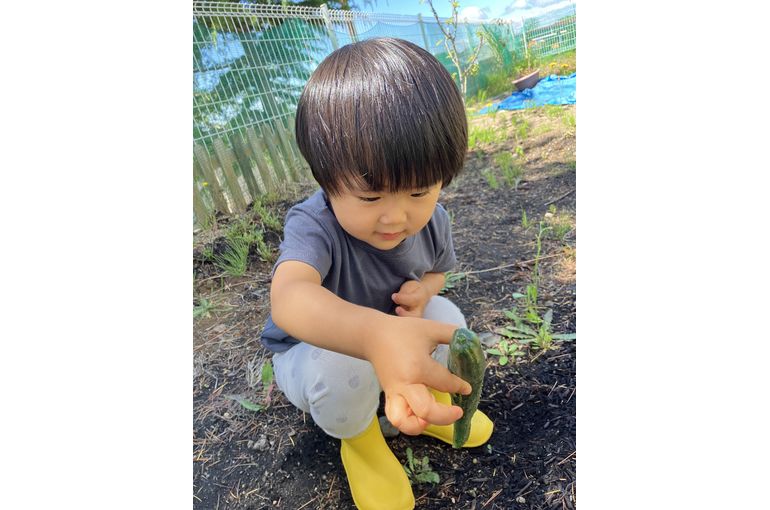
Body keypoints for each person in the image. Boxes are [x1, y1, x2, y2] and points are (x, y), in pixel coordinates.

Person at [260, 37, 494, 510]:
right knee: (342, 367)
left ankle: (428, 404)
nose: (395, 217)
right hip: (314, 353)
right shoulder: (314, 225)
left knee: (447, 318)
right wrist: (374, 336)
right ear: (327, 182)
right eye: (370, 197)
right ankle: (362, 442)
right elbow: (289, 297)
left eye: (419, 192)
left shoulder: (434, 222)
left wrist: (422, 292)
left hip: (388, 339)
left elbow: (437, 275)